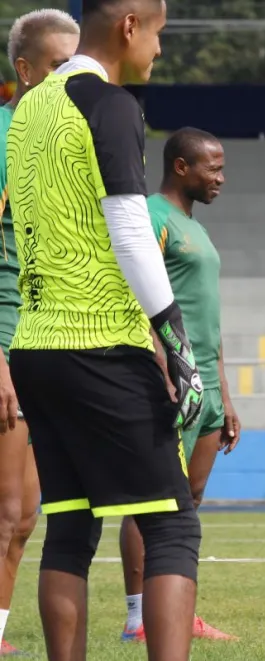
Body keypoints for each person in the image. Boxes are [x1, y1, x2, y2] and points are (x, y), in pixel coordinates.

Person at [4, 0, 205, 659]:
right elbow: (128, 227)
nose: (159, 49)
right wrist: (176, 343)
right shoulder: (111, 103)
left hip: (35, 345)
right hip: (100, 341)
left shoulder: (29, 106)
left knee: (69, 527)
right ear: (129, 26)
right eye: (159, 34)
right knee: (172, 525)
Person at [119, 126, 240, 644]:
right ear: (181, 167)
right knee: (154, 499)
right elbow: (134, 296)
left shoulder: (196, 227)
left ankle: (177, 613)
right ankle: (138, 617)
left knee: (188, 502)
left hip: (209, 385)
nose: (220, 178)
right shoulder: (152, 215)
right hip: (173, 380)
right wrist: (161, 366)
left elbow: (207, 318)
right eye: (212, 168)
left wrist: (226, 397)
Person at [0, 9, 79, 656]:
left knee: (24, 517)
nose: (69, 79)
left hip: (41, 342)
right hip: (4, 345)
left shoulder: (61, 140)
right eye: (57, 66)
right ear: (23, 71)